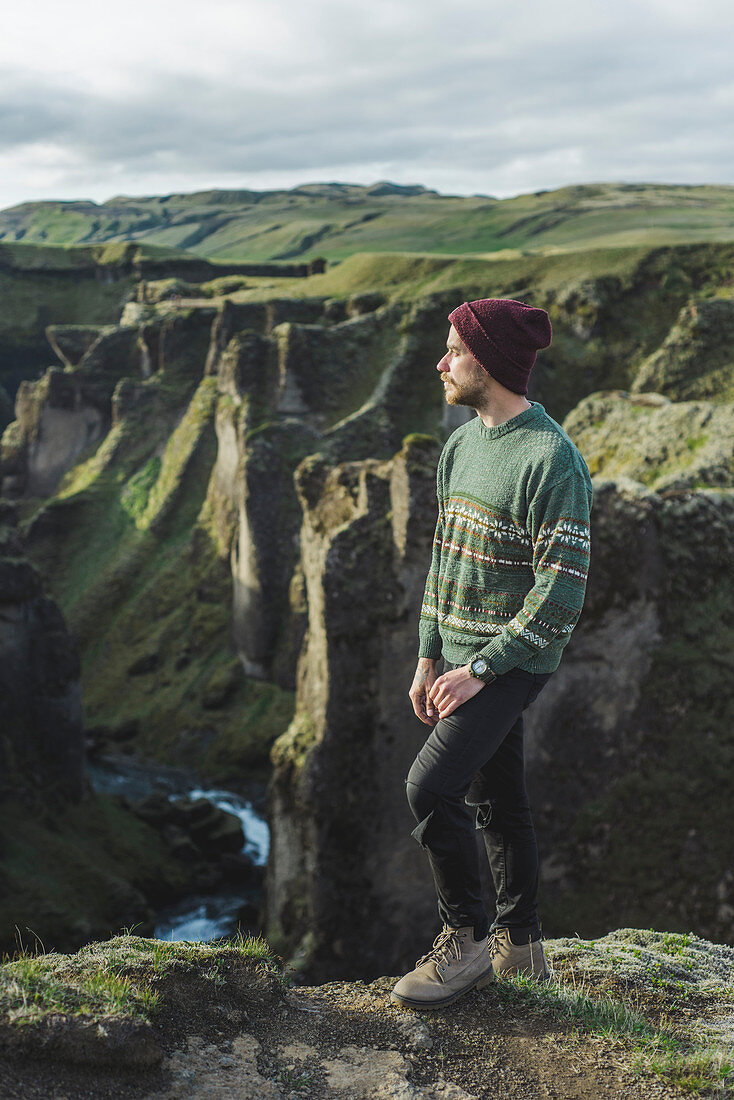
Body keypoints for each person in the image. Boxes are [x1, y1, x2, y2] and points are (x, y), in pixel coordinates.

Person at [391, 298, 593, 1010]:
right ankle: (524, 947)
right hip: (457, 657)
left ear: (493, 363)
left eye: (454, 351)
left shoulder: (551, 460)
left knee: (430, 787)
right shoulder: (460, 445)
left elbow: (561, 594)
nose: (440, 362)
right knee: (498, 801)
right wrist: (426, 655)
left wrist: (479, 670)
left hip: (512, 663)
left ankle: (466, 941)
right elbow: (444, 564)